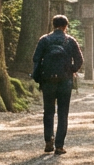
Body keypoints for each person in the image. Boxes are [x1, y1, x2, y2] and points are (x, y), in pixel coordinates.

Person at [33, 14, 84, 155]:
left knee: (48, 111)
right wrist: (71, 70)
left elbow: (36, 58)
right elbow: (79, 60)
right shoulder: (70, 41)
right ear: (65, 26)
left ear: (53, 25)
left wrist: (39, 77)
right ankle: (59, 145)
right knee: (63, 113)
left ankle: (48, 140)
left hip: (48, 80)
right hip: (65, 81)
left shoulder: (44, 40)